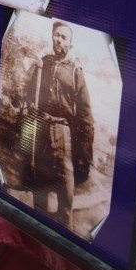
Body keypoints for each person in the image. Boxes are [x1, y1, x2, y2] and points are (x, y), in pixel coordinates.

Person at [19, 21, 94, 226]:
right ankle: (38, 227)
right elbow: (28, 96)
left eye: (63, 37)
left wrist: (85, 155)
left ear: (70, 44)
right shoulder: (43, 64)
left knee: (64, 188)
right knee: (38, 184)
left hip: (62, 132)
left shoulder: (75, 71)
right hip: (39, 127)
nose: (58, 40)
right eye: (56, 35)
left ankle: (64, 233)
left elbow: (86, 115)